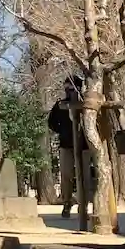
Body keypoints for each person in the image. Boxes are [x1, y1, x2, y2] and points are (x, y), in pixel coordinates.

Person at [48, 78, 82, 218]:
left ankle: (83, 204)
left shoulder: (84, 103)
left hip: (84, 145)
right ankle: (67, 201)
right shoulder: (60, 105)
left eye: (72, 89)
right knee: (66, 174)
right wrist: (62, 131)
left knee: (84, 175)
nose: (69, 92)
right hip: (66, 145)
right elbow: (51, 122)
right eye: (67, 89)